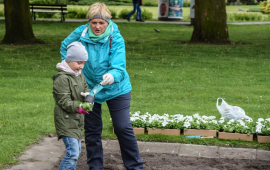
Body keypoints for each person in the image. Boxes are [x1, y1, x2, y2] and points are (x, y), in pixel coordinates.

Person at [60, 2, 144, 170]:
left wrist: (112, 75)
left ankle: (135, 167)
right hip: (89, 90)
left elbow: (119, 67)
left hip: (116, 89)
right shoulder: (80, 34)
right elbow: (65, 48)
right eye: (94, 22)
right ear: (89, 22)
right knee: (92, 130)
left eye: (101, 23)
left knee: (122, 127)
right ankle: (95, 167)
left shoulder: (115, 38)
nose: (97, 26)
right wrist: (74, 69)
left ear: (108, 23)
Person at [53, 41, 91, 170]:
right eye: (79, 63)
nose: (81, 66)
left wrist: (89, 95)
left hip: (76, 120)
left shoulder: (79, 75)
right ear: (69, 60)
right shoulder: (62, 79)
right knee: (73, 153)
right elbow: (64, 102)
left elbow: (85, 88)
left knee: (77, 151)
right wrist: (82, 106)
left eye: (83, 63)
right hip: (66, 120)